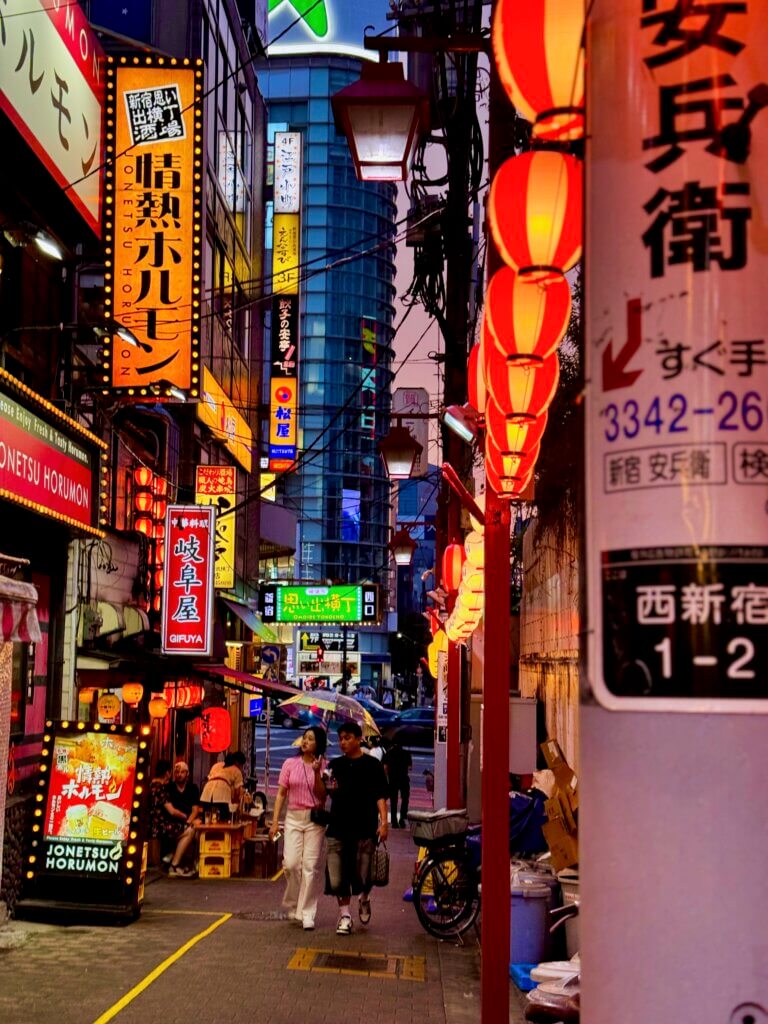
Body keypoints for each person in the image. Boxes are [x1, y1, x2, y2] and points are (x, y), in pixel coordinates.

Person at [324, 721, 389, 935]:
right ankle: (344, 915)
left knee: (364, 875)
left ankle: (364, 897)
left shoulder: (373, 765)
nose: (343, 742)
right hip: (338, 825)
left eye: (347, 738)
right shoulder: (335, 765)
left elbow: (380, 794)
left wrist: (384, 822)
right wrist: (320, 777)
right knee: (337, 875)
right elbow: (323, 792)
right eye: (341, 738)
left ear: (359, 739)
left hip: (364, 825)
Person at [269, 727, 328, 930]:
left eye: (310, 739)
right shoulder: (289, 764)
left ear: (318, 744)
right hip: (293, 818)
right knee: (291, 864)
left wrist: (317, 772)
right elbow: (281, 794)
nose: (305, 742)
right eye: (304, 738)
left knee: (310, 867)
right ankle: (294, 902)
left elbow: (322, 796)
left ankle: (307, 912)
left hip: (314, 820)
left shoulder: (324, 766)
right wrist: (275, 821)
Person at [162, 761, 202, 877]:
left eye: (182, 772)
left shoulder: (193, 788)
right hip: (172, 821)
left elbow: (195, 810)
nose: (179, 774)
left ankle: (191, 863)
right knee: (191, 831)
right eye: (177, 772)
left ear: (187, 774)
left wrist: (189, 821)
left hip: (188, 820)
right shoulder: (169, 787)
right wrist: (188, 822)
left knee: (197, 831)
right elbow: (172, 811)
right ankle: (175, 864)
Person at [200, 751, 246, 823]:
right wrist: (236, 806)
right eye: (241, 765)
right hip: (222, 793)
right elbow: (238, 791)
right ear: (237, 762)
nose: (241, 767)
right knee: (222, 819)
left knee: (206, 818)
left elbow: (208, 778)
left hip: (207, 791)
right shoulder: (236, 770)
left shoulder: (216, 765)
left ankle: (204, 833)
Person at [383, 737, 412, 828]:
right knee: (405, 798)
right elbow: (410, 767)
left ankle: (394, 821)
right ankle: (402, 819)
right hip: (403, 778)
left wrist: (388, 776)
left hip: (393, 779)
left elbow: (385, 768)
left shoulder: (388, 753)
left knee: (393, 800)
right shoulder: (406, 754)